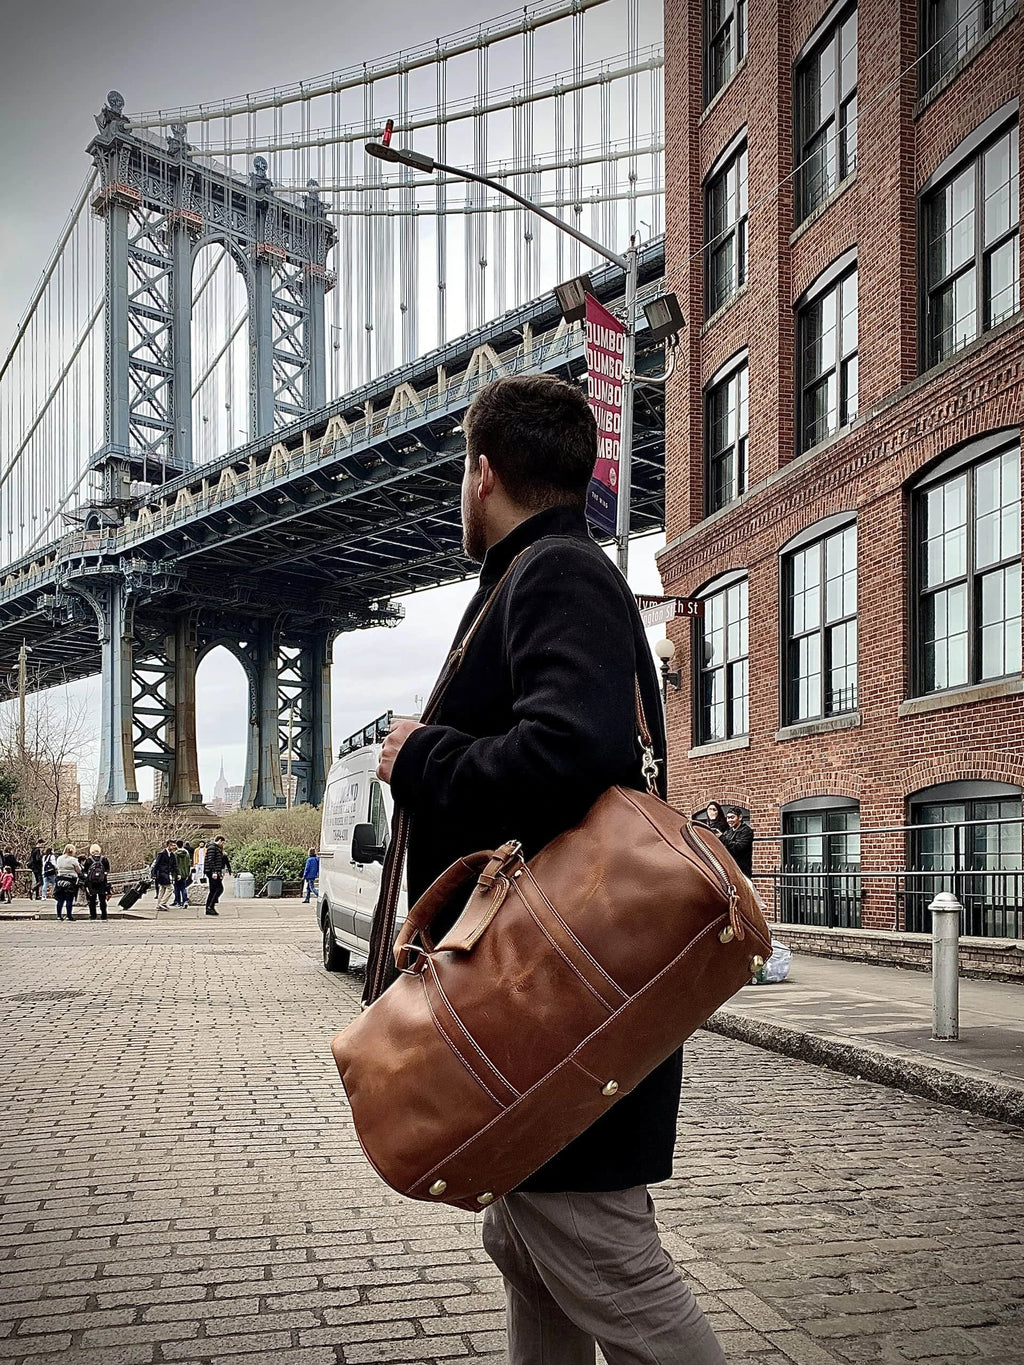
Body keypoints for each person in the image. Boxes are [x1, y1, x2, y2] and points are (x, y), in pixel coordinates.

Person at [377, 375, 725, 1365]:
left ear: (482, 474)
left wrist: (421, 755)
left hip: (553, 1007)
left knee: (604, 1259)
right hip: (549, 1000)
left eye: (461, 471)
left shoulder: (556, 575)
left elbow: (569, 754)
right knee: (533, 1249)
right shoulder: (545, 573)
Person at [719, 807, 754, 880]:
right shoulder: (728, 832)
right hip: (730, 867)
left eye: (732, 817)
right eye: (728, 818)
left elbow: (738, 848)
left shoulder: (746, 831)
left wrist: (722, 838)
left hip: (742, 868)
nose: (730, 820)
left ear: (740, 817)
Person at [81, 843, 111, 920]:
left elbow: (85, 871)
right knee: (102, 900)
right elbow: (107, 870)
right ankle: (104, 915)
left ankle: (93, 915)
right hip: (102, 882)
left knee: (92, 900)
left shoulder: (88, 860)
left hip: (92, 883)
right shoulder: (104, 859)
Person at [54, 844, 82, 922]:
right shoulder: (73, 860)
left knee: (60, 899)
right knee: (69, 899)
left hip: (60, 880)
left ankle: (59, 915)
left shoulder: (59, 858)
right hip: (70, 880)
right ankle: (68, 916)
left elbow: (57, 867)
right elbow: (78, 870)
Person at [204, 836, 230, 916]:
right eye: (222, 842)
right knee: (219, 888)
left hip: (213, 871)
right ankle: (210, 906)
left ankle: (209, 907)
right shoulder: (212, 848)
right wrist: (214, 872)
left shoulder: (215, 848)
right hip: (211, 871)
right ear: (219, 840)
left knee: (213, 890)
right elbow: (211, 860)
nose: (223, 844)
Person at [150, 840, 176, 911]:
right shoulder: (161, 854)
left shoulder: (172, 855)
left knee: (162, 889)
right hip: (162, 874)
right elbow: (156, 864)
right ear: (168, 845)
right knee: (170, 888)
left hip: (166, 874)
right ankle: (163, 903)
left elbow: (174, 865)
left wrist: (177, 873)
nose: (174, 847)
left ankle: (159, 905)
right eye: (172, 845)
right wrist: (154, 874)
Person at [172, 840, 192, 907]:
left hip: (177, 874)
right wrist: (188, 873)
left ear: (177, 845)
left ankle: (178, 902)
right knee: (183, 888)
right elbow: (189, 864)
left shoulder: (175, 854)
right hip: (184, 873)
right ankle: (185, 901)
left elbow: (174, 865)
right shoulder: (187, 854)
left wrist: (173, 874)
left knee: (176, 888)